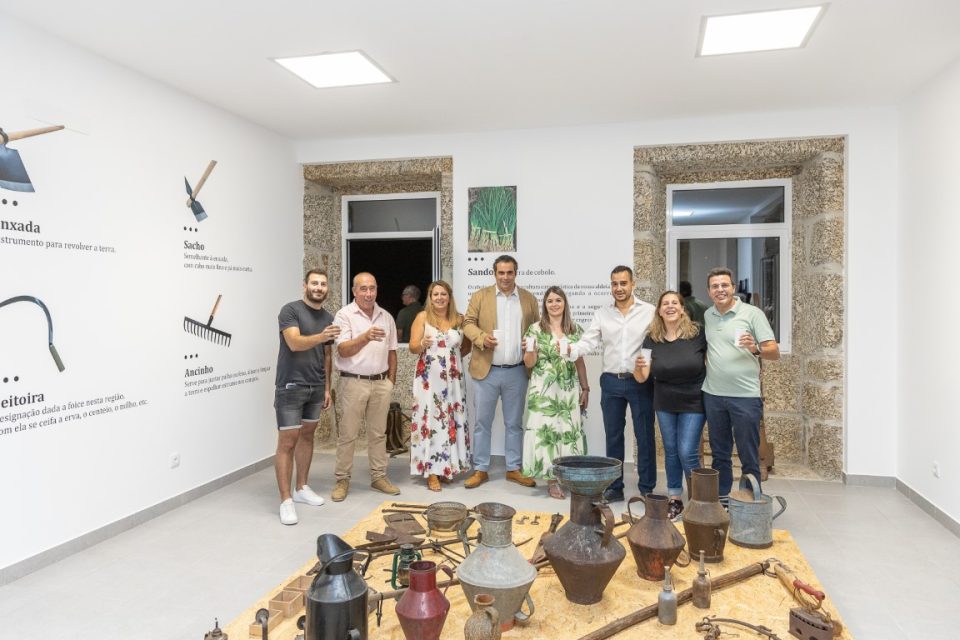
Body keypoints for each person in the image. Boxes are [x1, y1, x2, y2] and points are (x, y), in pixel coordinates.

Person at [568, 266, 656, 503]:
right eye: (614, 284)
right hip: (611, 382)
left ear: (633, 284)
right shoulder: (602, 314)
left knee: (644, 435)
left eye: (623, 283)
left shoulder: (649, 311)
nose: (619, 288)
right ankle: (615, 487)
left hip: (639, 382)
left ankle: (647, 488)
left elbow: (658, 341)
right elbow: (588, 341)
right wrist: (570, 350)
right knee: (614, 436)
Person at [461, 255, 540, 489]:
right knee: (482, 422)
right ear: (494, 273)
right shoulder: (480, 296)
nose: (505, 277)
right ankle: (481, 469)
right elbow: (467, 323)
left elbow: (537, 328)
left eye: (509, 272)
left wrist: (532, 343)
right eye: (501, 273)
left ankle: (513, 468)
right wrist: (481, 337)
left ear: (516, 273)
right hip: (486, 371)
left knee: (514, 423)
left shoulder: (528, 299)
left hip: (517, 371)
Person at [702, 267, 779, 500]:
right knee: (719, 453)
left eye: (724, 285)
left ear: (733, 288)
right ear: (709, 291)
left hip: (745, 396)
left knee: (748, 454)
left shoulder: (752, 314)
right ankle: (722, 500)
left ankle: (750, 502)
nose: (720, 290)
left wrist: (755, 348)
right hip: (713, 395)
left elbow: (774, 352)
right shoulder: (708, 315)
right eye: (715, 286)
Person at [273, 269, 341, 525]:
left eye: (323, 284)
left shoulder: (328, 317)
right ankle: (286, 500)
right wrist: (322, 336)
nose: (319, 287)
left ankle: (301, 488)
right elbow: (294, 343)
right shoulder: (290, 310)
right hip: (291, 385)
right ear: (305, 286)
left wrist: (326, 387)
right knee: (287, 442)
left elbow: (327, 355)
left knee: (307, 437)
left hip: (316, 386)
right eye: (314, 283)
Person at [634, 291, 707, 521]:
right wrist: (637, 367)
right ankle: (675, 498)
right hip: (664, 401)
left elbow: (711, 361)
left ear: (682, 309)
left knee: (687, 451)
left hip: (694, 400)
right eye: (665, 303)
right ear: (659, 310)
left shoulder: (697, 333)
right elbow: (642, 377)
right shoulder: (652, 338)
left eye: (675, 302)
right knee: (671, 450)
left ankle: (700, 500)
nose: (670, 306)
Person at [331, 272, 401, 501]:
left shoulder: (386, 317)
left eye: (372, 288)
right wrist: (365, 337)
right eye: (363, 289)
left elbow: (392, 352)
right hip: (353, 382)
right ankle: (342, 479)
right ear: (354, 291)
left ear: (377, 290)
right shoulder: (344, 315)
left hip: (381, 383)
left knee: (378, 434)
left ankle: (378, 476)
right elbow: (343, 350)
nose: (368, 293)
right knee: (348, 434)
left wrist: (390, 381)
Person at [521, 286, 589, 499]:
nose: (554, 304)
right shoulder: (535, 329)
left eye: (558, 300)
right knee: (546, 433)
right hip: (543, 390)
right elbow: (529, 363)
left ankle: (567, 475)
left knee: (567, 431)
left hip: (568, 390)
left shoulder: (575, 329)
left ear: (565, 303)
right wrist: (531, 351)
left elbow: (579, 361)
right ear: (545, 305)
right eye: (550, 301)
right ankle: (551, 480)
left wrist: (585, 388)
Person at [408, 280, 472, 492]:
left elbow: (466, 347)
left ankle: (446, 468)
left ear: (449, 296)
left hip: (453, 380)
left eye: (443, 294)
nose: (439, 298)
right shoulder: (422, 317)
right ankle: (432, 472)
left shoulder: (459, 319)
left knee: (450, 420)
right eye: (435, 294)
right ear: (430, 297)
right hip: (429, 381)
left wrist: (451, 360)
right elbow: (412, 347)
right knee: (431, 420)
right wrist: (422, 345)